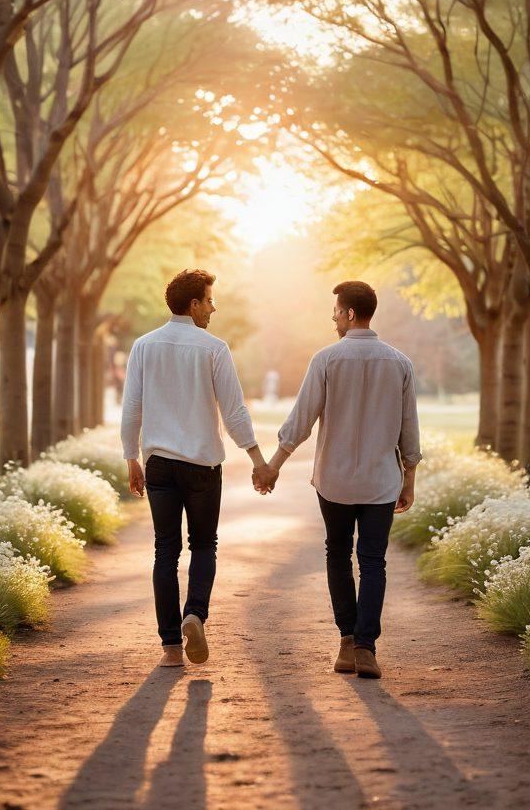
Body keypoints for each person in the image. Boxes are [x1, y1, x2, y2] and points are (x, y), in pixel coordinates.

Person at [255, 280, 421, 680]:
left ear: (349, 313)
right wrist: (409, 477)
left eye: (335, 310)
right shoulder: (399, 363)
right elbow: (409, 428)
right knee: (373, 562)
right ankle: (366, 648)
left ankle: (347, 642)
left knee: (337, 554)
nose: (332, 317)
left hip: (335, 481)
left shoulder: (326, 359)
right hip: (381, 483)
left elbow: (301, 421)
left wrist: (274, 463)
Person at [122, 269, 276, 668]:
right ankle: (195, 614)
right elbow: (234, 410)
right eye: (209, 300)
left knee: (165, 551)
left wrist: (131, 457)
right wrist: (258, 460)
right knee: (204, 545)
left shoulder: (144, 346)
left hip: (158, 465)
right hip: (203, 465)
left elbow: (132, 407)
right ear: (193, 305)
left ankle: (171, 646)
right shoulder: (213, 348)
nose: (213, 307)